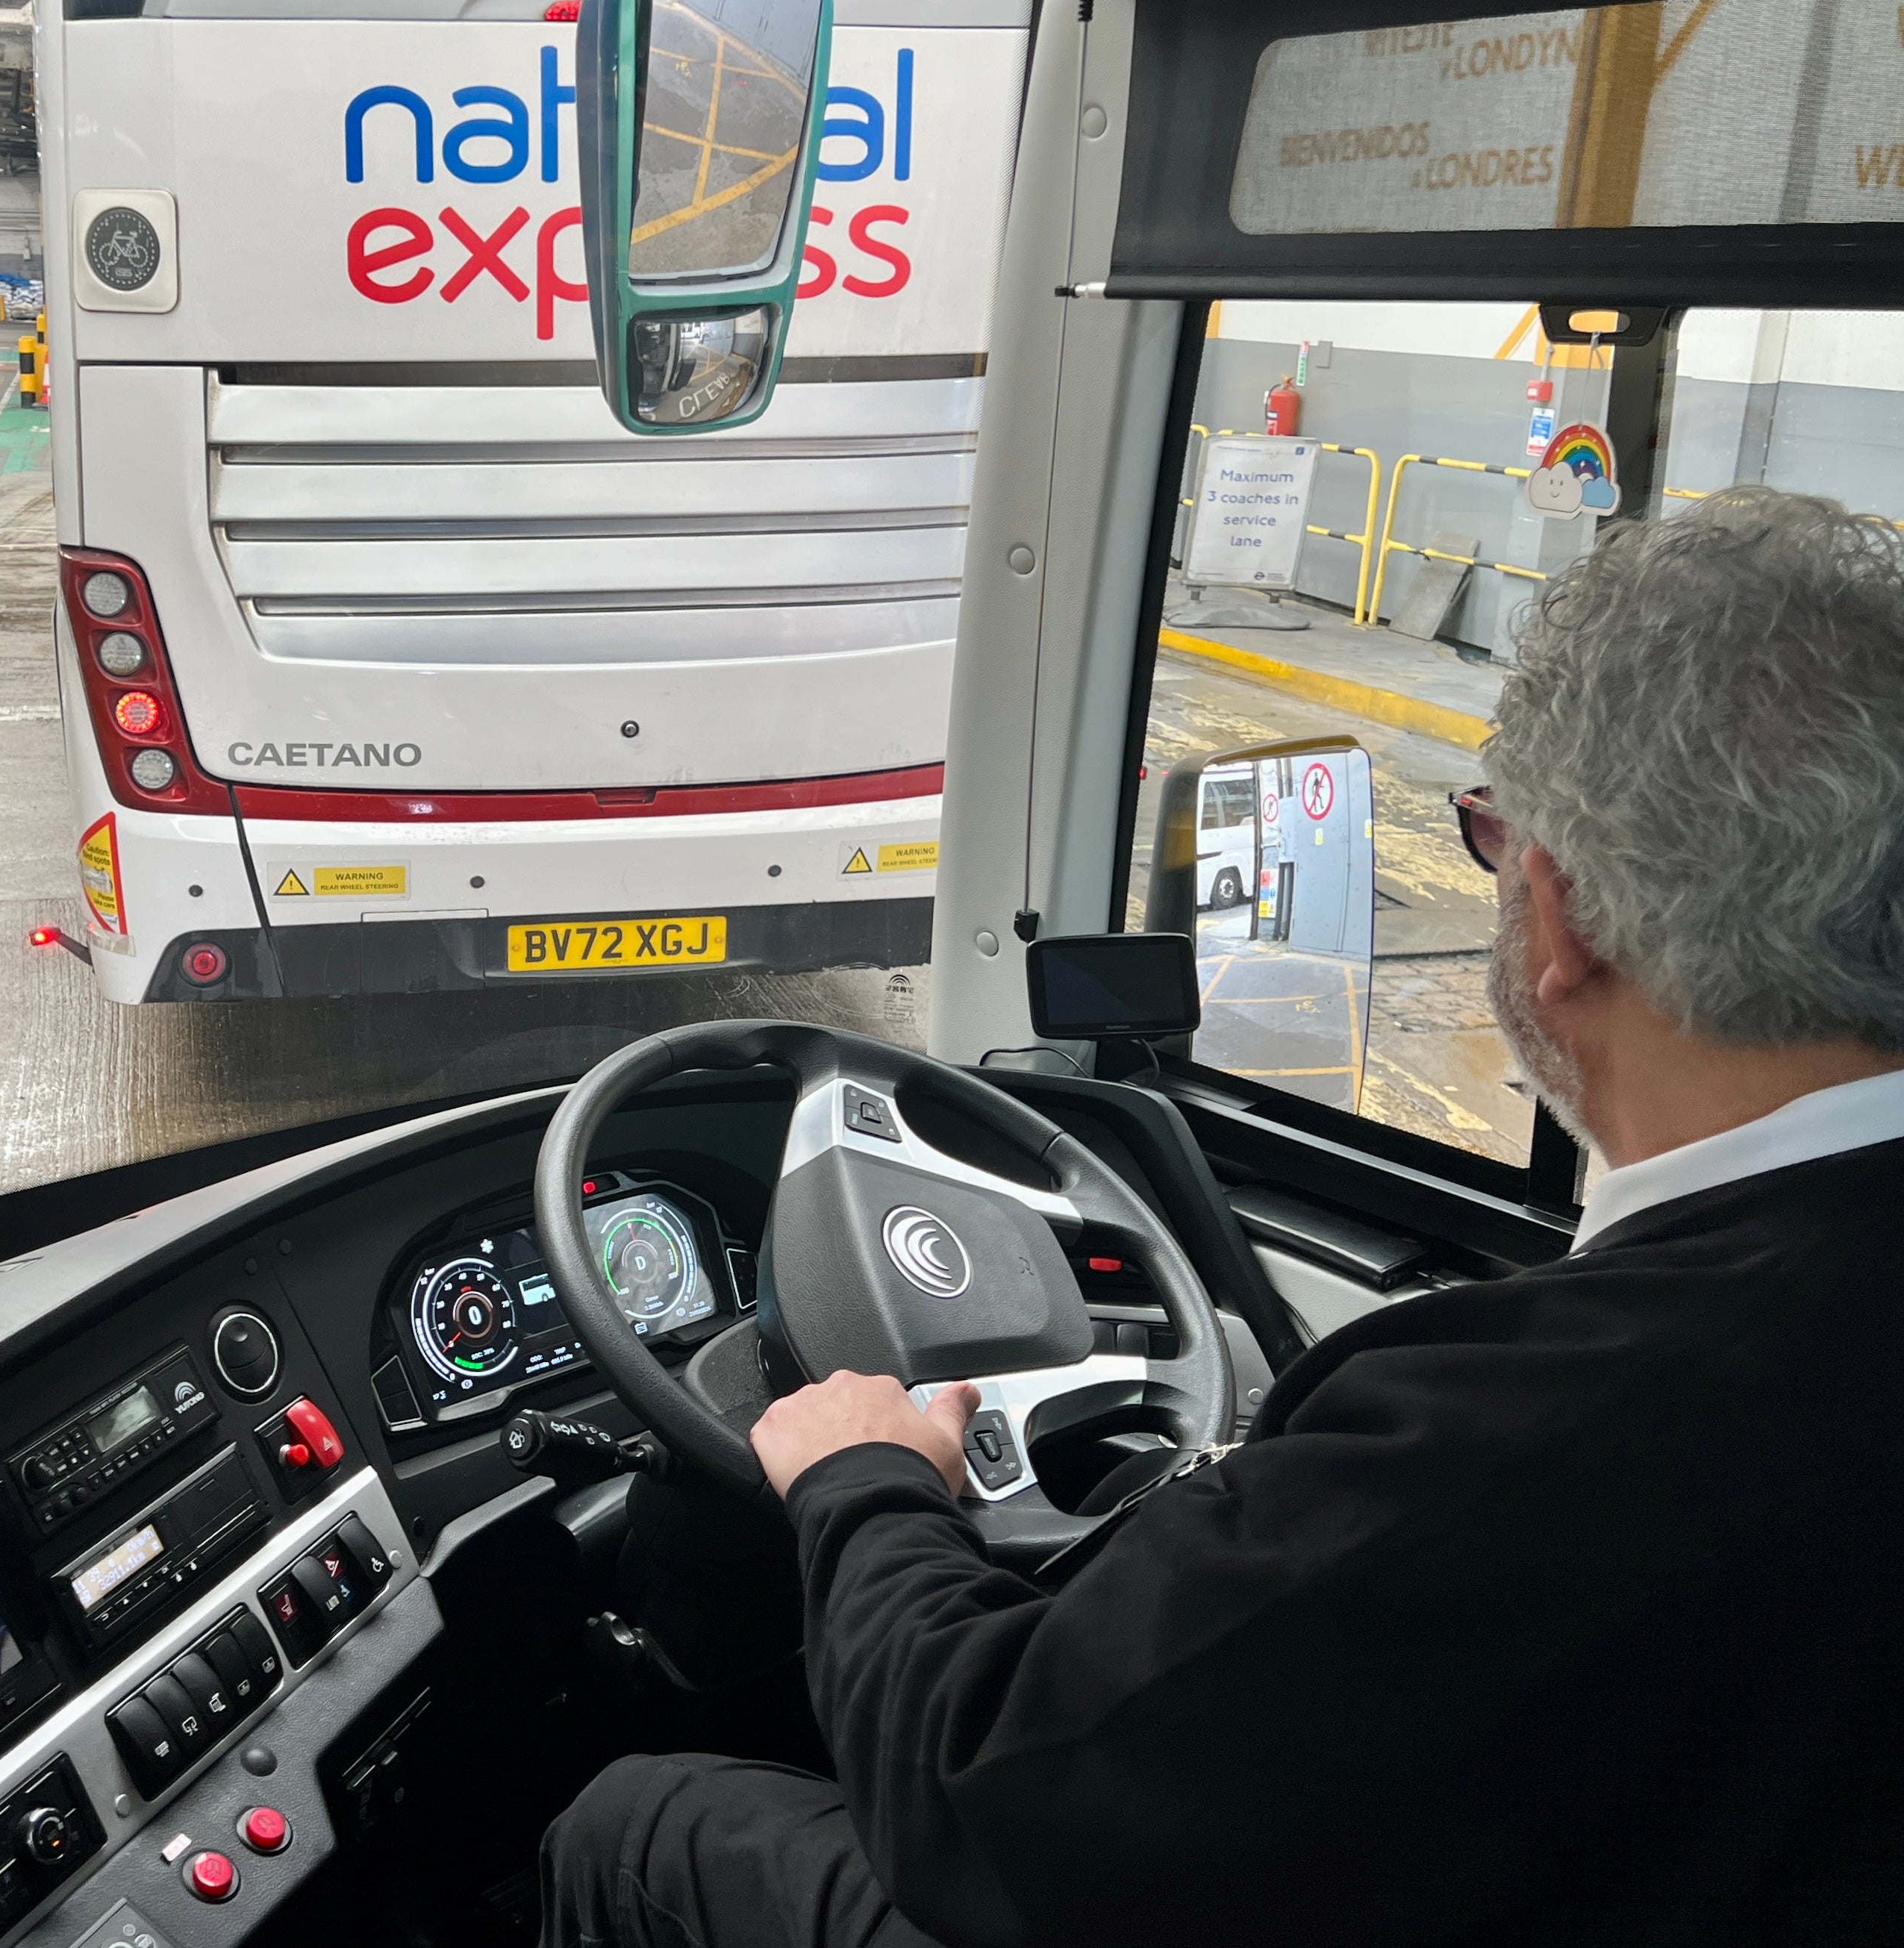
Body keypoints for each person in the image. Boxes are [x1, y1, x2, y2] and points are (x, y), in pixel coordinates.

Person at [540, 490, 1904, 1948]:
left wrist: (864, 1479)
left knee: (635, 1825)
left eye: (1484, 835)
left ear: (1558, 915)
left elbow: (973, 1802)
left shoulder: (1538, 1432)